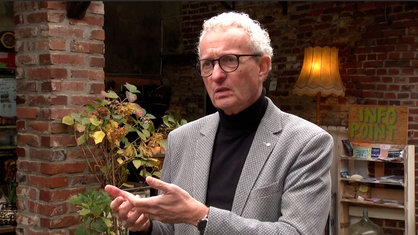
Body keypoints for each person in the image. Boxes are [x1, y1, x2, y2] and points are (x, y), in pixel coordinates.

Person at [105, 11, 334, 235]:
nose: (216, 75)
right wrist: (145, 226)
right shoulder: (182, 139)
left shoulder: (306, 143)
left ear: (262, 67)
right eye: (207, 64)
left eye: (229, 61)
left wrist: (201, 217)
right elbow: (171, 228)